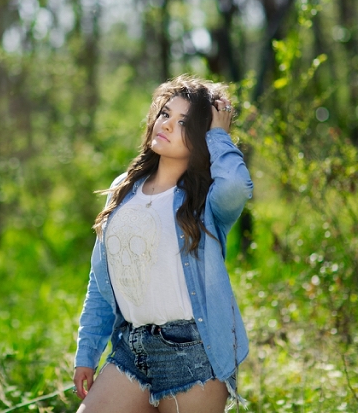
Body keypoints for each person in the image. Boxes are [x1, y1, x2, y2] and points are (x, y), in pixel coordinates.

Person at [72, 75, 252, 413]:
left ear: (201, 137)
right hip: (132, 347)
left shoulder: (205, 199)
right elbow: (102, 280)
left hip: (193, 353)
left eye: (184, 122)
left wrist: (219, 134)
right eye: (165, 113)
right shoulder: (124, 188)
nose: (167, 124)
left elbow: (237, 186)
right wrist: (87, 351)